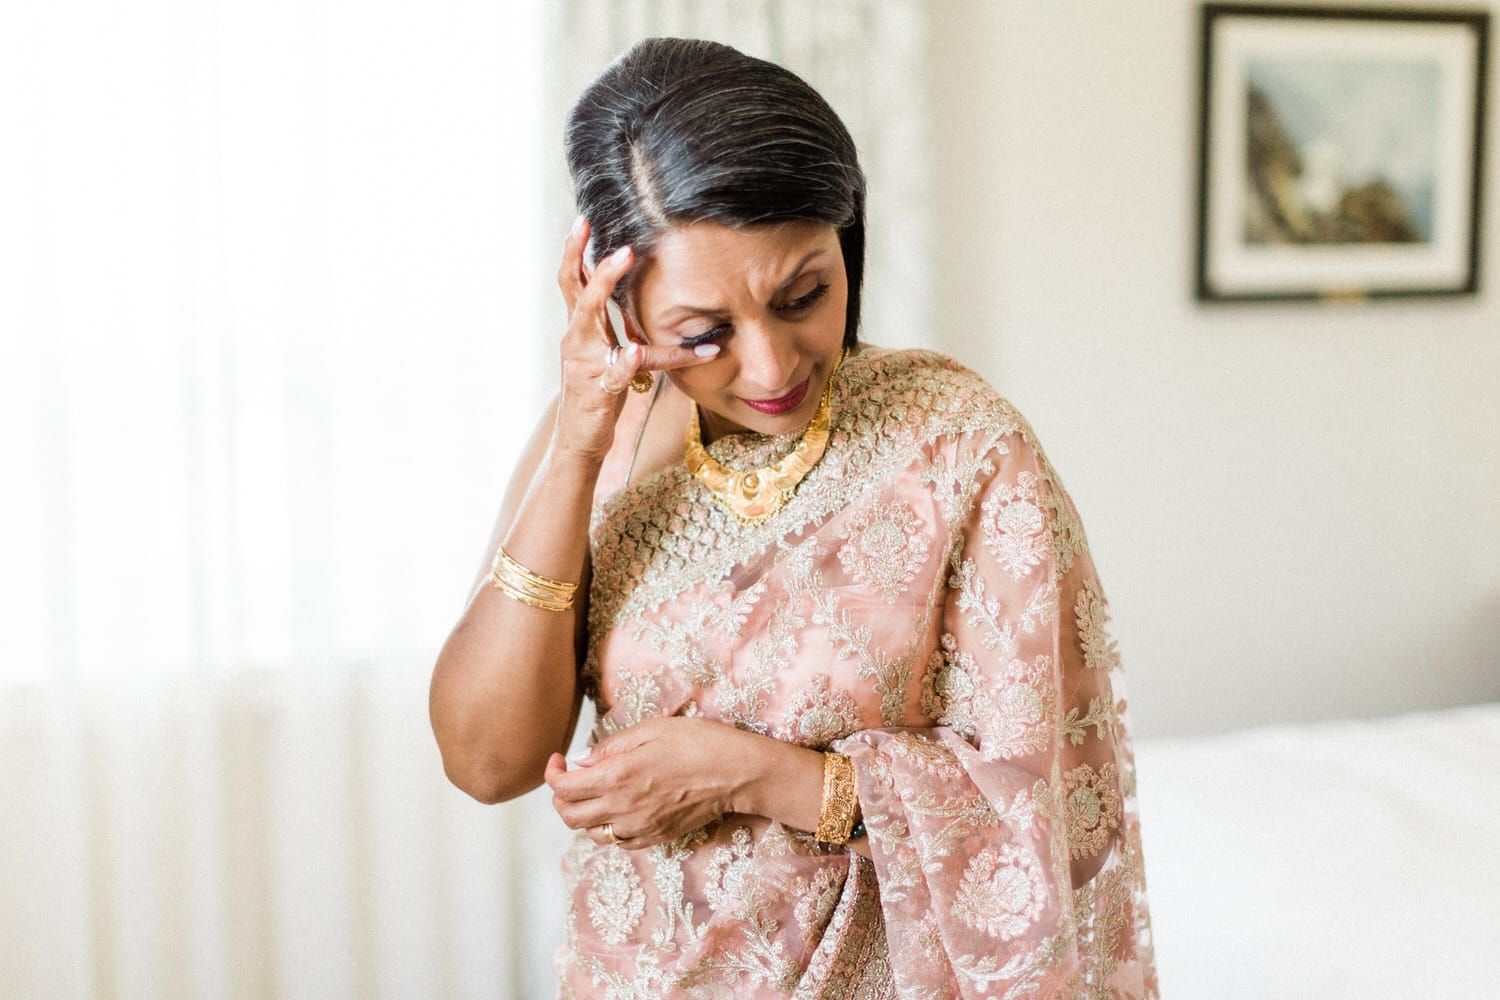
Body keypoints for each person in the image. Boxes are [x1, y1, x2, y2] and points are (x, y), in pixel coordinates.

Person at [430, 37, 1157, 999]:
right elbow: (487, 760)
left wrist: (752, 775)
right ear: (620, 304)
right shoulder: (590, 445)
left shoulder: (958, 445)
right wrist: (576, 448)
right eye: (704, 334)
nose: (771, 368)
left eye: (803, 295)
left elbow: (1045, 805)